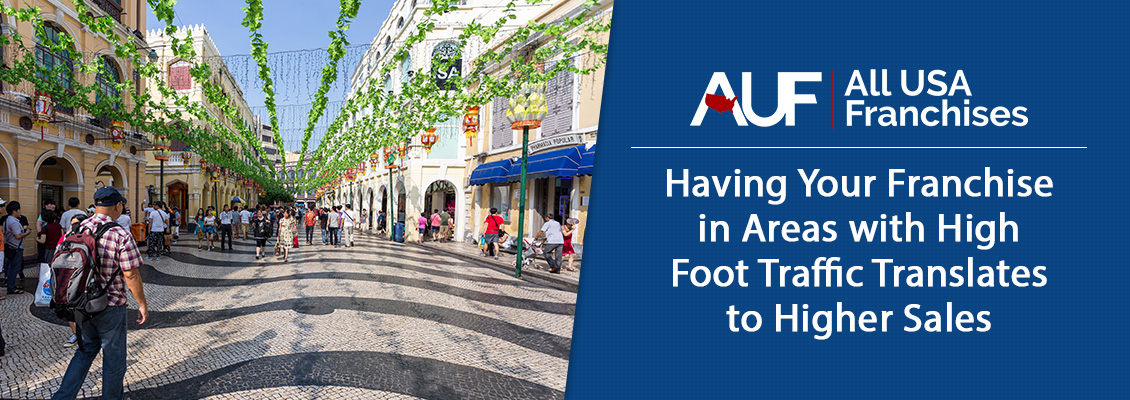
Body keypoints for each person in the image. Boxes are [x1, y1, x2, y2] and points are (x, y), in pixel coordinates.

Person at [52, 187, 148, 400]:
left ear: (96, 205)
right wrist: (142, 303)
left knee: (84, 352)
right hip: (110, 305)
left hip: (80, 303)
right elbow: (131, 275)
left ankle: (61, 398)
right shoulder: (120, 234)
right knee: (114, 360)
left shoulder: (77, 228)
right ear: (118, 206)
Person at [57, 213, 88, 348]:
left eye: (76, 224)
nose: (73, 227)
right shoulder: (65, 238)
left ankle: (85, 334)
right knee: (67, 307)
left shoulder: (88, 238)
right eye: (71, 224)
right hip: (66, 278)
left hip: (83, 278)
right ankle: (76, 333)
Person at [3, 201, 30, 294]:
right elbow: (18, 236)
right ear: (14, 211)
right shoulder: (13, 222)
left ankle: (11, 285)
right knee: (14, 268)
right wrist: (26, 233)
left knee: (11, 267)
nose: (20, 211)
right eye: (19, 210)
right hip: (15, 247)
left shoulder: (8, 220)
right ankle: (11, 287)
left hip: (10, 246)